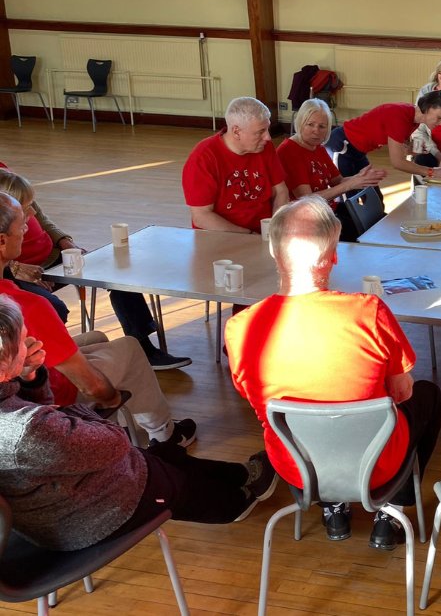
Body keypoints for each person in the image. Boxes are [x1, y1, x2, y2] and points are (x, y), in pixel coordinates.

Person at [225, 195, 441, 549]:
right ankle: (391, 510)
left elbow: (260, 406)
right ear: (333, 256)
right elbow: (401, 392)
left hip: (298, 469)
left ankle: (334, 508)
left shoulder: (239, 329)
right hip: (376, 467)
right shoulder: (368, 311)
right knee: (427, 397)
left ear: (273, 252)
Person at [0, 295, 278, 552]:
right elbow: (116, 442)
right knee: (166, 477)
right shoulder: (27, 431)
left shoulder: (18, 416)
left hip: (55, 498)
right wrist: (76, 412)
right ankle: (235, 503)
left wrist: (31, 378)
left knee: (165, 455)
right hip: (87, 518)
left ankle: (242, 474)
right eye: (25, 342)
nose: (33, 344)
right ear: (6, 360)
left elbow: (48, 421)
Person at [0, 192, 196, 446]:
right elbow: (90, 386)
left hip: (13, 393)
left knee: (99, 337)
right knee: (130, 347)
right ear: (2, 241)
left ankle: (127, 425)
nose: (28, 227)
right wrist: (113, 399)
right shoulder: (27, 306)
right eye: (21, 225)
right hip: (44, 398)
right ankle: (164, 434)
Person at [0, 168, 190, 370]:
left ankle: (144, 347)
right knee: (54, 308)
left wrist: (65, 241)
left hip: (52, 256)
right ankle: (58, 363)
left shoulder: (9, 178)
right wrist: (15, 267)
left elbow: (43, 218)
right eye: (25, 209)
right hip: (19, 272)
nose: (32, 213)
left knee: (116, 270)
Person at [276, 98, 386, 241]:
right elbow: (306, 199)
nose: (316, 131)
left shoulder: (318, 147)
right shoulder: (289, 151)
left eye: (322, 126)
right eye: (310, 124)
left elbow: (338, 181)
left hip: (326, 211)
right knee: (363, 231)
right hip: (305, 219)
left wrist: (359, 178)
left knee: (377, 220)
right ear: (300, 123)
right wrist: (351, 184)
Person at [182, 96, 289, 234]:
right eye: (260, 131)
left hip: (262, 233)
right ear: (236, 131)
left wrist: (275, 229)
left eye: (267, 129)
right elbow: (201, 217)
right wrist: (248, 235)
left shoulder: (264, 147)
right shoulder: (203, 157)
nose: (268, 137)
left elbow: (281, 191)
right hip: (222, 236)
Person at [325, 91, 441, 181]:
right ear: (427, 108)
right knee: (346, 199)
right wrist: (433, 172)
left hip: (358, 150)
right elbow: (397, 162)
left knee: (372, 194)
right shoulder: (400, 117)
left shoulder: (414, 119)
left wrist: (411, 150)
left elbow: (402, 150)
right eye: (439, 117)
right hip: (342, 145)